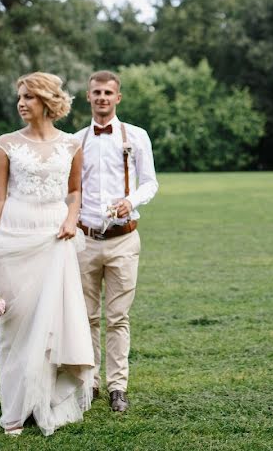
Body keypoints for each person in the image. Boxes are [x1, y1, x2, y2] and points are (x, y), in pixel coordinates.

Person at [0, 72, 94, 436]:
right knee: (15, 326)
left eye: (29, 97)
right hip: (12, 238)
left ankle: (42, 401)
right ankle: (14, 406)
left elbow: (75, 191)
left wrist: (73, 219)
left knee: (51, 324)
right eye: (20, 97)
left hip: (55, 239)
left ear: (47, 101)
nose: (22, 103)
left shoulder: (71, 145)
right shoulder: (6, 144)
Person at [75, 70, 158, 412]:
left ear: (118, 98)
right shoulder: (76, 140)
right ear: (89, 96)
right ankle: (89, 383)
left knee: (118, 318)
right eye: (97, 92)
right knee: (86, 317)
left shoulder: (136, 136)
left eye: (108, 92)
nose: (103, 98)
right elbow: (71, 191)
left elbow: (151, 183)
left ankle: (117, 387)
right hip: (84, 241)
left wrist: (131, 200)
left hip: (124, 239)